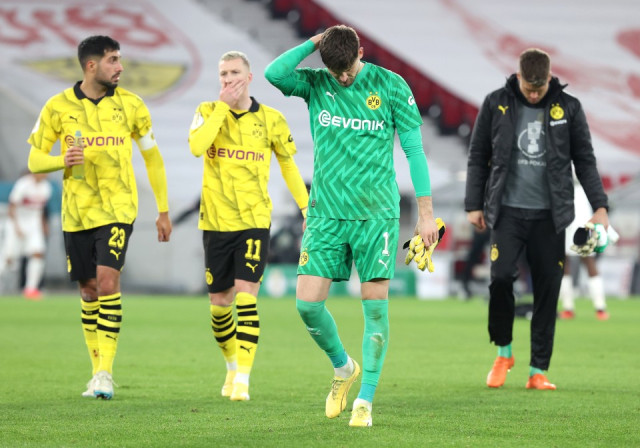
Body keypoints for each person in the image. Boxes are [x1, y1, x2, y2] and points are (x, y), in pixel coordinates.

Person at [265, 25, 439, 427]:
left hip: (376, 213)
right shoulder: (315, 82)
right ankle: (344, 367)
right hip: (325, 212)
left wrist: (426, 213)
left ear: (361, 50)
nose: (343, 77)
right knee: (307, 305)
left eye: (347, 69)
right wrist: (314, 43)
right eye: (336, 71)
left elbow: (414, 150)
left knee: (374, 307)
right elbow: (274, 74)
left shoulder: (390, 85)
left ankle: (365, 400)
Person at [27, 35, 172, 400]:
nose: (120, 67)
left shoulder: (132, 105)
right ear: (91, 65)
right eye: (113, 60)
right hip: (76, 213)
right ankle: (96, 373)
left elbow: (153, 158)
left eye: (119, 59)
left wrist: (163, 209)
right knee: (89, 290)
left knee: (108, 282)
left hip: (118, 208)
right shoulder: (57, 107)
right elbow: (34, 160)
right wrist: (62, 160)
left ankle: (106, 373)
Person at [465, 48, 609, 391]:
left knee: (548, 288)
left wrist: (600, 206)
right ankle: (504, 353)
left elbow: (585, 160)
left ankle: (537, 370)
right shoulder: (496, 103)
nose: (533, 94)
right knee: (501, 278)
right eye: (528, 88)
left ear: (549, 79)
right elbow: (478, 155)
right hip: (507, 211)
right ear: (518, 76)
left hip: (550, 215)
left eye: (539, 88)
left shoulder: (569, 108)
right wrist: (473, 204)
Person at [188, 51, 309, 402]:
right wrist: (222, 107)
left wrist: (306, 207)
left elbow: (288, 166)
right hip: (215, 222)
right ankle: (231, 366)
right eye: (223, 74)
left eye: (234, 73)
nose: (228, 79)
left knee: (246, 297)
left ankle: (243, 378)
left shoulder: (271, 119)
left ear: (250, 77)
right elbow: (197, 147)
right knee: (219, 305)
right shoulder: (207, 111)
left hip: (254, 221)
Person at [559, 182, 610, 321]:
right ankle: (568, 307)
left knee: (587, 257)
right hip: (563, 199)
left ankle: (600, 306)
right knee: (563, 259)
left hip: (579, 201)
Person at [0, 172, 52, 299]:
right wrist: (16, 227)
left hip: (34, 225)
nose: (45, 174)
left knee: (38, 253)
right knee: (9, 258)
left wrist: (43, 225)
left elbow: (41, 209)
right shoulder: (23, 184)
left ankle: (31, 288)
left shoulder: (46, 187)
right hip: (17, 223)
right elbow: (12, 206)